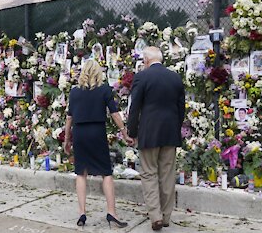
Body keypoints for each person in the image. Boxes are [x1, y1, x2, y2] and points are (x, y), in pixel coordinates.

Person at [64, 60, 132, 229]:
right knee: (106, 173)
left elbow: (69, 117)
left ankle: (82, 213)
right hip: (97, 132)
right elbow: (114, 114)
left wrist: (66, 139)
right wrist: (124, 132)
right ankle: (111, 212)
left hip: (80, 133)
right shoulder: (104, 90)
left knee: (81, 173)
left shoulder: (74, 92)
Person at [127, 46, 185, 231]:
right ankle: (166, 216)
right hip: (170, 133)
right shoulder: (175, 77)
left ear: (145, 60)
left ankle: (155, 216)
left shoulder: (142, 77)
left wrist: (132, 132)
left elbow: (134, 108)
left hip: (149, 132)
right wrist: (176, 128)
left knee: (149, 173)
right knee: (167, 175)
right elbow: (181, 108)